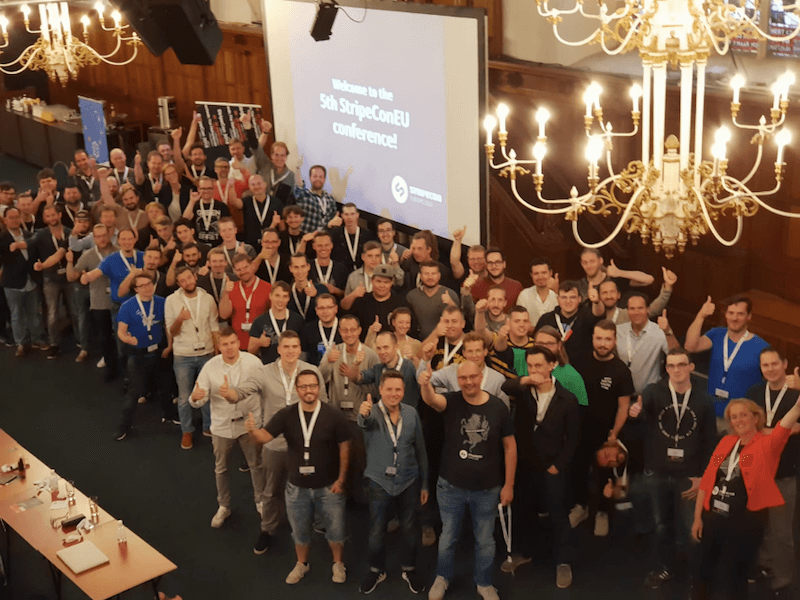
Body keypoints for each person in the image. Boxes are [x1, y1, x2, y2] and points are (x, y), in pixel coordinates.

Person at [418, 360, 516, 600]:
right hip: (451, 486)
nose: (469, 382)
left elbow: (510, 447)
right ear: (457, 380)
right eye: (463, 378)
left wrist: (509, 484)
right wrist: (425, 383)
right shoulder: (451, 401)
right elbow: (431, 400)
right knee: (448, 537)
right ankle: (442, 577)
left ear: (481, 376)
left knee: (485, 540)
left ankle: (483, 583)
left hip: (488, 488)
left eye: (473, 377)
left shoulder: (498, 407)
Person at [245, 369, 352, 585]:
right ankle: (302, 563)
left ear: (319, 388)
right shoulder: (287, 414)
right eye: (303, 387)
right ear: (297, 390)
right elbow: (264, 437)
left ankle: (338, 563)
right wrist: (252, 431)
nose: (308, 390)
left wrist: (341, 479)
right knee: (299, 531)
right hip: (297, 487)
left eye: (312, 386)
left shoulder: (333, 415)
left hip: (329, 486)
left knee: (336, 530)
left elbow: (345, 447)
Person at [690, 392, 800, 600]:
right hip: (713, 516)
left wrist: (796, 408)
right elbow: (707, 480)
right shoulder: (726, 442)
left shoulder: (767, 444)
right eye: (734, 416)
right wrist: (697, 518)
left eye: (743, 415)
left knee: (736, 573)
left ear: (755, 418)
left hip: (745, 521)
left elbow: (783, 428)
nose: (739, 420)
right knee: (702, 567)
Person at [229, 331, 328, 555]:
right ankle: (267, 529)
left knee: (311, 484)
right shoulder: (264, 373)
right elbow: (243, 391)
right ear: (279, 349)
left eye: (295, 346)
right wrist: (230, 394)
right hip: (274, 442)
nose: (291, 350)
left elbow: (324, 405)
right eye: (287, 346)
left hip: (305, 442)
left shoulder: (311, 372)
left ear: (300, 348)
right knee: (271, 490)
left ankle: (314, 521)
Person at [628, 347, 718, 588]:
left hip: (690, 476)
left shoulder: (704, 399)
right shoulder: (654, 392)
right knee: (662, 525)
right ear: (666, 369)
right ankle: (666, 568)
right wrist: (635, 411)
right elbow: (641, 409)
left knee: (691, 528)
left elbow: (711, 442)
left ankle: (695, 575)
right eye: (671, 366)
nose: (676, 370)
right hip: (658, 472)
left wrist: (703, 478)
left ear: (691, 367)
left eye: (681, 365)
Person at [500, 346, 580, 587]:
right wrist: (526, 379)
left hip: (552, 465)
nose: (534, 370)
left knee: (558, 513)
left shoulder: (567, 398)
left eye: (539, 365)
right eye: (530, 366)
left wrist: (558, 465)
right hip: (526, 463)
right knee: (525, 510)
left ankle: (563, 561)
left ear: (551, 365)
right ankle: (525, 553)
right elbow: (506, 387)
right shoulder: (523, 390)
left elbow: (574, 438)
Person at [190, 326, 267, 541]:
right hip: (222, 425)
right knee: (221, 468)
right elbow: (199, 398)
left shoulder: (253, 362)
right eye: (225, 344)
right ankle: (223, 505)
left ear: (238, 342)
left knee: (256, 465)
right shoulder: (210, 367)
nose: (230, 347)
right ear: (218, 346)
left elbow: (265, 390)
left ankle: (261, 502)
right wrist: (195, 397)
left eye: (233, 343)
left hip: (249, 424)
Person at [358, 372, 429, 594]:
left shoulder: (411, 413)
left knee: (409, 527)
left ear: (404, 391)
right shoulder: (372, 412)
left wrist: (425, 483)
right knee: (377, 530)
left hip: (408, 480)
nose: (393, 394)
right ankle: (376, 569)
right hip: (379, 481)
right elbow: (365, 423)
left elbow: (420, 450)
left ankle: (409, 567)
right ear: (380, 390)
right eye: (389, 389)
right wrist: (364, 414)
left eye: (398, 389)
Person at [744, 347, 800, 597]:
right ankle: (765, 565)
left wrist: (771, 431)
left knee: (782, 529)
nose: (770, 369)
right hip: (757, 470)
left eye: (774, 364)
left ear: (784, 363)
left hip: (785, 471)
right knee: (760, 523)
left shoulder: (796, 394)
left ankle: (783, 579)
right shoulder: (755, 392)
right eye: (765, 365)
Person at [570, 320, 635, 528]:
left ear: (615, 340)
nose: (603, 343)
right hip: (580, 430)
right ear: (592, 339)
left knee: (605, 475)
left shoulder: (621, 370)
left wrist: (614, 433)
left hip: (606, 433)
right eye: (599, 338)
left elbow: (624, 406)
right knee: (578, 471)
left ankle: (602, 513)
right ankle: (580, 506)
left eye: (607, 339)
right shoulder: (579, 362)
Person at [318, 314, 380, 502]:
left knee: (361, 461)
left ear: (360, 330)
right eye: (344, 330)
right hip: (337, 416)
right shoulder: (334, 352)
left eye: (353, 329)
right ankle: (341, 498)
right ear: (340, 331)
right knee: (338, 460)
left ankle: (363, 500)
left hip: (359, 418)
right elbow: (320, 379)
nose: (349, 333)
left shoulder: (370, 355)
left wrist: (357, 376)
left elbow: (378, 389)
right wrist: (328, 362)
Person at [684, 295, 769, 426]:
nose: (734, 318)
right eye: (731, 313)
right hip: (710, 411)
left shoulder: (761, 347)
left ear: (749, 316)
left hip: (740, 418)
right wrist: (701, 316)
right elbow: (690, 346)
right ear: (726, 315)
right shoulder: (717, 334)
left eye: (740, 314)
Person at [115, 272, 177, 440]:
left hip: (158, 351)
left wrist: (170, 346)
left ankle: (170, 415)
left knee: (165, 387)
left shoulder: (162, 302)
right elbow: (121, 331)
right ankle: (123, 426)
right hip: (138, 355)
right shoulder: (127, 306)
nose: (147, 288)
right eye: (142, 285)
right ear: (136, 289)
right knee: (134, 391)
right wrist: (127, 338)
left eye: (149, 284)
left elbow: (168, 325)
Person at [166, 266, 220, 449]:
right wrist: (179, 319)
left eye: (189, 278)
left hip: (206, 352)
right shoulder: (172, 301)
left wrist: (218, 351)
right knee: (184, 396)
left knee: (207, 393)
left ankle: (207, 426)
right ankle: (186, 431)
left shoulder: (207, 298)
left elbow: (214, 326)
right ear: (179, 283)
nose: (187, 282)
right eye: (182, 281)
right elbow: (171, 332)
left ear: (195, 277)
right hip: (183, 355)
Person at [30, 204, 80, 359]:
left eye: (53, 215)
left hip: (69, 277)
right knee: (52, 313)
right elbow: (29, 243)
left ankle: (80, 340)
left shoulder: (70, 232)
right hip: (51, 279)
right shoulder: (41, 234)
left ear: (59, 215)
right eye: (48, 216)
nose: (51, 218)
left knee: (75, 310)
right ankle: (54, 344)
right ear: (45, 218)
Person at [69, 223, 118, 379]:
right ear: (93, 238)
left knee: (120, 335)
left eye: (104, 235)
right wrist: (70, 263)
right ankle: (110, 368)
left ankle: (122, 365)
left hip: (119, 301)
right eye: (98, 236)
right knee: (104, 337)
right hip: (99, 302)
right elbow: (72, 277)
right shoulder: (88, 255)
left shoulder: (119, 252)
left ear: (109, 234)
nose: (102, 239)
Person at [0, 206, 47, 355]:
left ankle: (37, 338)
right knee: (16, 315)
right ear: (5, 220)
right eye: (11, 217)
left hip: (31, 281)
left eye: (16, 217)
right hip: (12, 283)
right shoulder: (2, 238)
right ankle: (21, 343)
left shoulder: (30, 235)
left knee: (33, 312)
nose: (14, 220)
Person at [616, 292, 679, 394]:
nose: (636, 312)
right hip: (622, 396)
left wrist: (668, 331)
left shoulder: (659, 331)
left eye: (640, 308)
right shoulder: (618, 331)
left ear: (647, 309)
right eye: (632, 308)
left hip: (649, 396)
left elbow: (677, 355)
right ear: (627, 311)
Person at [426, 332, 509, 408]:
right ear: (464, 353)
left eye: (478, 351)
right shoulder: (452, 371)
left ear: (485, 352)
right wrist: (425, 359)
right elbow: (425, 380)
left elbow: (504, 411)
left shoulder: (497, 379)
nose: (474, 355)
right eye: (470, 351)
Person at [344, 330, 421, 410]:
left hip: (407, 418)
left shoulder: (410, 366)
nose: (382, 352)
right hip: (383, 419)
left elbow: (426, 378)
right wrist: (356, 364)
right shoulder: (378, 369)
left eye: (386, 347)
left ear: (396, 347)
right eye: (378, 348)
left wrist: (414, 359)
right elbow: (356, 378)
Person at [536, 280, 604, 366]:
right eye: (564, 297)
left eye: (572, 297)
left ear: (579, 299)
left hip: (583, 369)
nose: (568, 301)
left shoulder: (587, 317)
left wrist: (597, 301)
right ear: (558, 299)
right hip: (551, 369)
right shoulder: (546, 319)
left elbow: (599, 314)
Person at [218, 254, 271, 350]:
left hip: (260, 344)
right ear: (234, 271)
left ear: (252, 266)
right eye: (238, 270)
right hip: (237, 345)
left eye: (245, 267)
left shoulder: (268, 288)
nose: (243, 272)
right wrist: (225, 293)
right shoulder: (232, 288)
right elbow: (224, 315)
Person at [247, 281, 304, 364]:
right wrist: (259, 343)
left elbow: (303, 349)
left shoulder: (297, 320)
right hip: (268, 368)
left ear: (288, 298)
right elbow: (250, 350)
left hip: (291, 366)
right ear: (270, 296)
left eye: (284, 296)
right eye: (277, 295)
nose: (281, 300)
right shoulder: (259, 321)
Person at [532, 326, 589, 408]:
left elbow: (580, 411)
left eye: (550, 344)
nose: (544, 347)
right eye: (540, 343)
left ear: (559, 346)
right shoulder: (527, 367)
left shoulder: (572, 376)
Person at [596, 266, 676, 324]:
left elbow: (653, 310)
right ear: (598, 296)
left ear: (618, 295)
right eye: (604, 293)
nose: (609, 296)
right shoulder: (591, 316)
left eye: (612, 292)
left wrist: (667, 287)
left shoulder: (627, 315)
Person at [345, 264, 408, 337]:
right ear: (372, 280)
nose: (382, 286)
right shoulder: (361, 302)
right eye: (379, 281)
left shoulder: (401, 304)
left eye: (386, 282)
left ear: (392, 282)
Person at [406, 262, 461, 340]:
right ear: (421, 276)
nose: (430, 277)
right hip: (419, 342)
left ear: (439, 276)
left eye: (433, 273)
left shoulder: (450, 294)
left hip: (445, 342)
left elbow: (461, 319)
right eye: (426, 274)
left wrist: (450, 303)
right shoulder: (411, 296)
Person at [576, 248, 654, 300]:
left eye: (592, 261)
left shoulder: (615, 280)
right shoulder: (578, 286)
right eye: (585, 262)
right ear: (581, 264)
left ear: (600, 261)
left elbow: (649, 280)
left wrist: (620, 273)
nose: (588, 266)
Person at [182, 176, 230, 247]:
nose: (206, 191)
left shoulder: (222, 206)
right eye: (203, 188)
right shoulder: (194, 205)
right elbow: (185, 220)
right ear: (198, 189)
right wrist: (192, 201)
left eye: (209, 188)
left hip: (218, 246)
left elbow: (228, 226)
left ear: (213, 189)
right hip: (198, 246)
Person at [293, 165, 340, 233]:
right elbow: (298, 186)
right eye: (315, 176)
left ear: (324, 179)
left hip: (322, 239)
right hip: (306, 237)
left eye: (320, 177)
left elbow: (333, 220)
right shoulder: (304, 195)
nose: (318, 179)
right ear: (310, 178)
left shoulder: (330, 199)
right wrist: (298, 168)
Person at [240, 174, 282, 248]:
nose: (256, 187)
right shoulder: (246, 202)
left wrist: (274, 224)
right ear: (249, 187)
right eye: (253, 184)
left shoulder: (277, 202)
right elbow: (234, 202)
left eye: (259, 183)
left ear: (265, 184)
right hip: (251, 244)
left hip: (271, 244)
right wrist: (230, 186)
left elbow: (282, 228)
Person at [332, 202, 376, 271]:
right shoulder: (335, 233)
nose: (349, 217)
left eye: (352, 214)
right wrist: (328, 226)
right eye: (346, 214)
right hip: (341, 274)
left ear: (357, 215)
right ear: (342, 216)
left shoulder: (368, 235)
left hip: (363, 273)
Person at [301, 293, 341, 366]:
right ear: (316, 310)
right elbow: (303, 358)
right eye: (321, 308)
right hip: (315, 374)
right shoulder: (308, 329)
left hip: (340, 373)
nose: (325, 311)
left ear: (336, 309)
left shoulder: (345, 328)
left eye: (329, 307)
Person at [516, 257, 558, 326]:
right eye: (536, 273)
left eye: (544, 273)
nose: (540, 277)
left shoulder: (560, 294)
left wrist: (557, 290)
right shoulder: (524, 295)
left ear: (550, 273)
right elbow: (519, 322)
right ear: (531, 275)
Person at [310, 231, 348, 298]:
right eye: (320, 245)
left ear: (332, 245)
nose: (323, 248)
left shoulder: (341, 269)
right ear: (313, 246)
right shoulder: (307, 267)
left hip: (335, 307)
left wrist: (335, 290)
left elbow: (347, 294)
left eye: (326, 245)